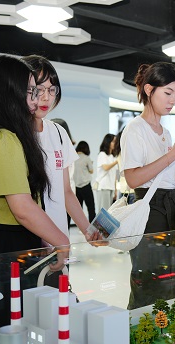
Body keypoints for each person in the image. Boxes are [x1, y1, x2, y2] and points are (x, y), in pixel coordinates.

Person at [0, 56, 72, 332]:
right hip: (3, 245)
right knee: (8, 328)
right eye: (30, 91)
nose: (36, 99)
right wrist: (62, 241)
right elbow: (22, 207)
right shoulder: (1, 138)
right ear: (6, 93)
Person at [120, 62, 175, 309]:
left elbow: (164, 178)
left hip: (170, 208)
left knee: (173, 276)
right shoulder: (135, 129)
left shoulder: (165, 132)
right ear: (149, 90)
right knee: (150, 280)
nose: (172, 100)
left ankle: (168, 326)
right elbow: (133, 179)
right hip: (151, 213)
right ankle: (141, 328)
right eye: (167, 92)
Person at [21, 55, 100, 266]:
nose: (46, 98)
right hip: (29, 242)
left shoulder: (58, 133)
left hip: (59, 240)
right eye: (38, 90)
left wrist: (87, 230)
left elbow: (65, 191)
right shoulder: (14, 135)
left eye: (51, 90)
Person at [72, 141, 96, 222]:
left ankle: (80, 226)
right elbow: (91, 171)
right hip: (86, 186)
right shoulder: (86, 158)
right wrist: (90, 164)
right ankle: (92, 227)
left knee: (79, 209)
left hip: (76, 187)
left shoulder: (73, 158)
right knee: (91, 208)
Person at [95, 133, 118, 213]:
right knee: (103, 212)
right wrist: (116, 162)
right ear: (108, 142)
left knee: (108, 211)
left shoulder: (113, 157)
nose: (115, 143)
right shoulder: (102, 154)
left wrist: (115, 190)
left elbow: (115, 175)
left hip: (111, 187)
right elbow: (105, 167)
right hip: (103, 186)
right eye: (113, 141)